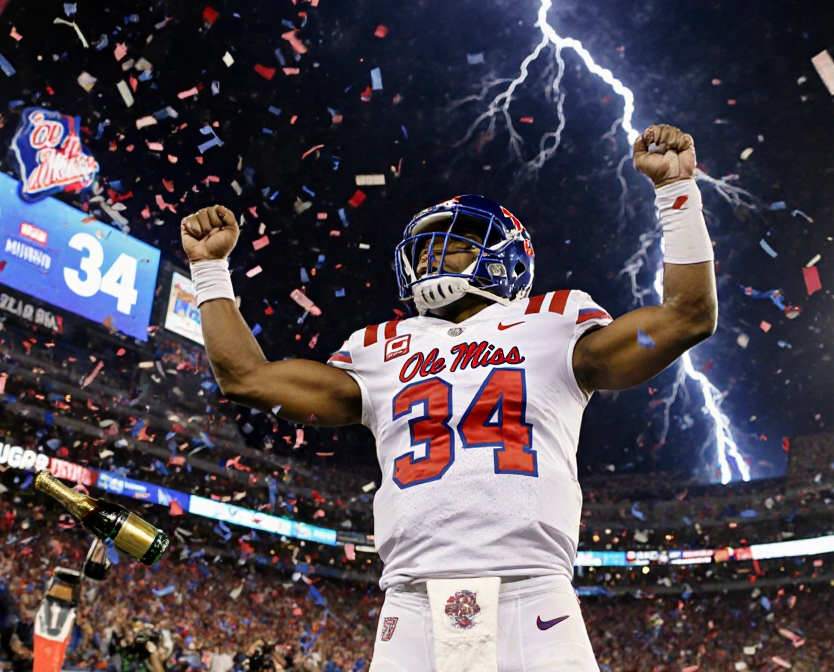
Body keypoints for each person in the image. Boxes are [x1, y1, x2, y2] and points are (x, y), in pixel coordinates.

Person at [180, 124, 717, 671]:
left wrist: (677, 193)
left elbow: (686, 316)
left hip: (532, 593)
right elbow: (244, 378)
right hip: (411, 602)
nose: (433, 259)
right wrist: (208, 270)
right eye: (427, 248)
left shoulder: (552, 321)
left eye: (455, 248)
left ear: (507, 259)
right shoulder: (379, 347)